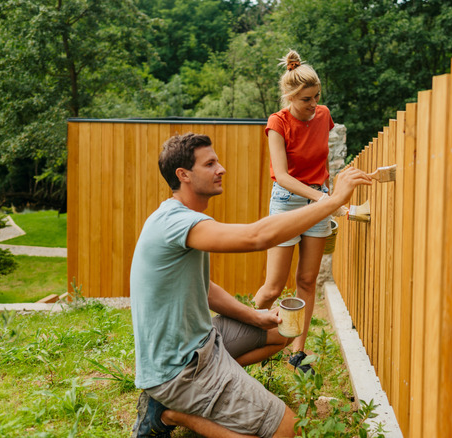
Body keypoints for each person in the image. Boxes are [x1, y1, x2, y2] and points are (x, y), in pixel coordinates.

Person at [130, 132, 370, 438]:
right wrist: (334, 200)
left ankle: (206, 395)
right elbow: (257, 237)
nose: (222, 169)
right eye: (210, 163)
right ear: (184, 175)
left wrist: (253, 316)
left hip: (203, 342)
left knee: (282, 331)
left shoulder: (182, 217)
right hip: (180, 370)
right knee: (288, 431)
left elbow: (204, 288)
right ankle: (170, 412)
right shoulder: (176, 223)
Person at [252, 50, 343, 374]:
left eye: (317, 96)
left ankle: (297, 353)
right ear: (290, 96)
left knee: (306, 280)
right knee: (274, 287)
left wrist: (325, 194)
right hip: (288, 203)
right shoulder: (278, 122)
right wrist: (324, 201)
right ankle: (244, 336)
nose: (313, 104)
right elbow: (284, 175)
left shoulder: (323, 116)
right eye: (306, 99)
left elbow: (320, 159)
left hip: (318, 200)